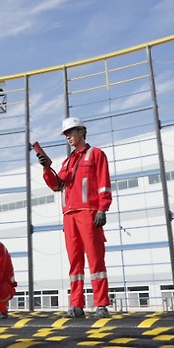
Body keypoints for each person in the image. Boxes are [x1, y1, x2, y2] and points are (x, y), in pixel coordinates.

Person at [37, 117, 112, 318]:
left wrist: (102, 208)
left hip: (89, 213)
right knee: (75, 262)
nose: (68, 137)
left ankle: (101, 304)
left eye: (71, 132)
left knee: (96, 259)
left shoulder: (95, 154)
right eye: (66, 134)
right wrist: (46, 168)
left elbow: (104, 183)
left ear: (81, 131)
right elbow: (56, 185)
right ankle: (76, 305)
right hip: (69, 216)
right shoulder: (68, 161)